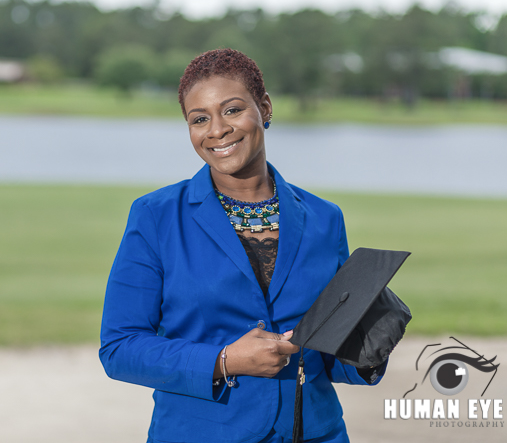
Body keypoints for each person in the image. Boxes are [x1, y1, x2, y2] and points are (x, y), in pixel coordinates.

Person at [99, 48, 386, 443]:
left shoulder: (325, 218)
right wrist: (225, 360)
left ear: (264, 108)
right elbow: (120, 347)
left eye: (232, 110)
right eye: (199, 119)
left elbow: (326, 356)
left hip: (314, 433)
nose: (216, 129)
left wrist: (368, 351)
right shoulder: (156, 215)